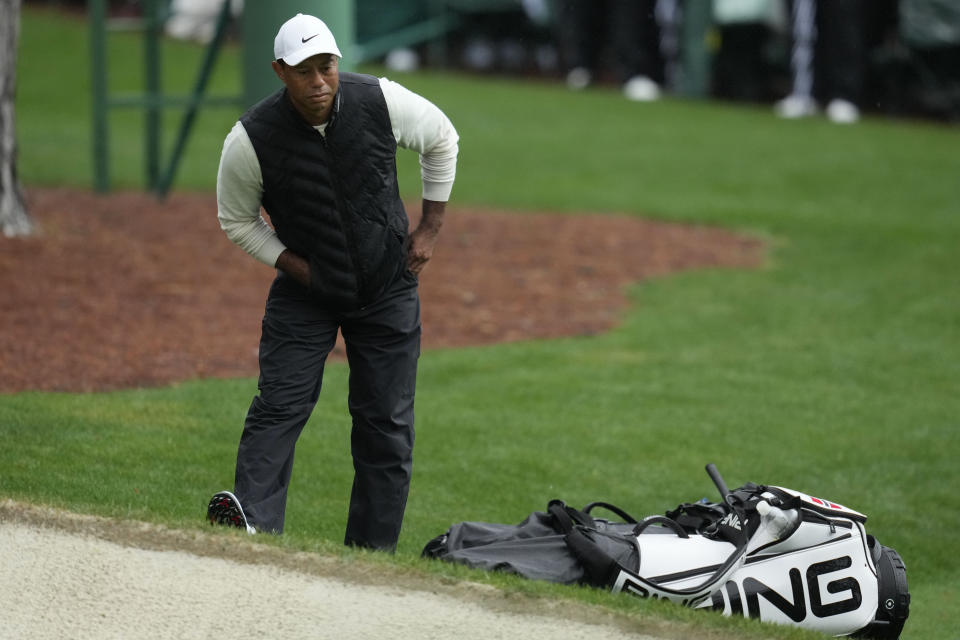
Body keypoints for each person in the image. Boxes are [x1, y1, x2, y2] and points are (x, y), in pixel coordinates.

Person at [207, 13, 459, 552]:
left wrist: (430, 230)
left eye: (326, 67)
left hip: (388, 286)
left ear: (337, 63)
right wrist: (296, 267)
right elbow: (236, 219)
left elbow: (442, 138)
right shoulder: (250, 139)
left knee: (385, 427)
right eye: (304, 72)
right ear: (280, 72)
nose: (318, 82)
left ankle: (369, 558)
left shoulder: (380, 100)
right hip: (306, 294)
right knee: (279, 405)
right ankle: (252, 533)